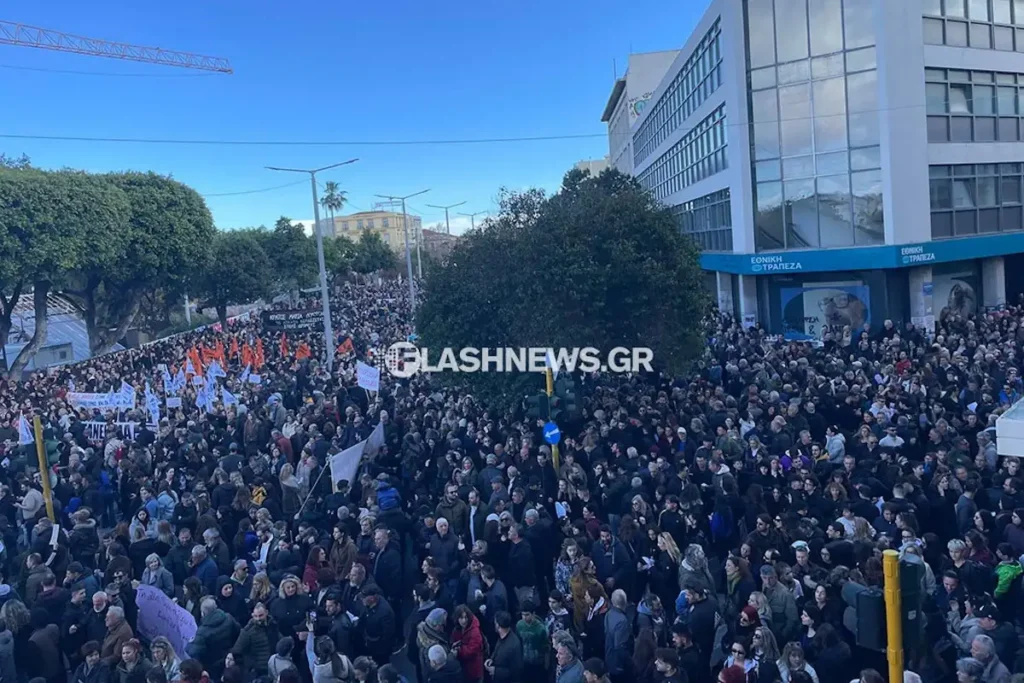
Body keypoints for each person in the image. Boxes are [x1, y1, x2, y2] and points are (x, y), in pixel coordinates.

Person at [186, 598, 240, 681]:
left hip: (211, 666)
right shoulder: (228, 618)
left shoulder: (202, 631)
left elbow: (194, 652)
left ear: (203, 613)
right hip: (228, 660)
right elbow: (238, 631)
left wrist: (189, 644)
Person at [232, 601, 279, 680]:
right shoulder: (247, 632)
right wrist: (250, 666)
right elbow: (237, 651)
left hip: (273, 666)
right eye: (256, 616)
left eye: (261, 615)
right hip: (258, 671)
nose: (258, 619)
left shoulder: (273, 625)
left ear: (266, 613)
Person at [487, 611, 523, 683]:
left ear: (497, 625)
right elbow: (497, 650)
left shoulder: (514, 645)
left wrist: (495, 671)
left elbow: (516, 671)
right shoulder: (501, 637)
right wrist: (492, 659)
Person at [452, 604, 484, 683]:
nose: (464, 620)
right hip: (464, 668)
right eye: (461, 618)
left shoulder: (474, 631)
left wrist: (459, 650)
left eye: (465, 617)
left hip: (474, 670)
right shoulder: (457, 629)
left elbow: (472, 650)